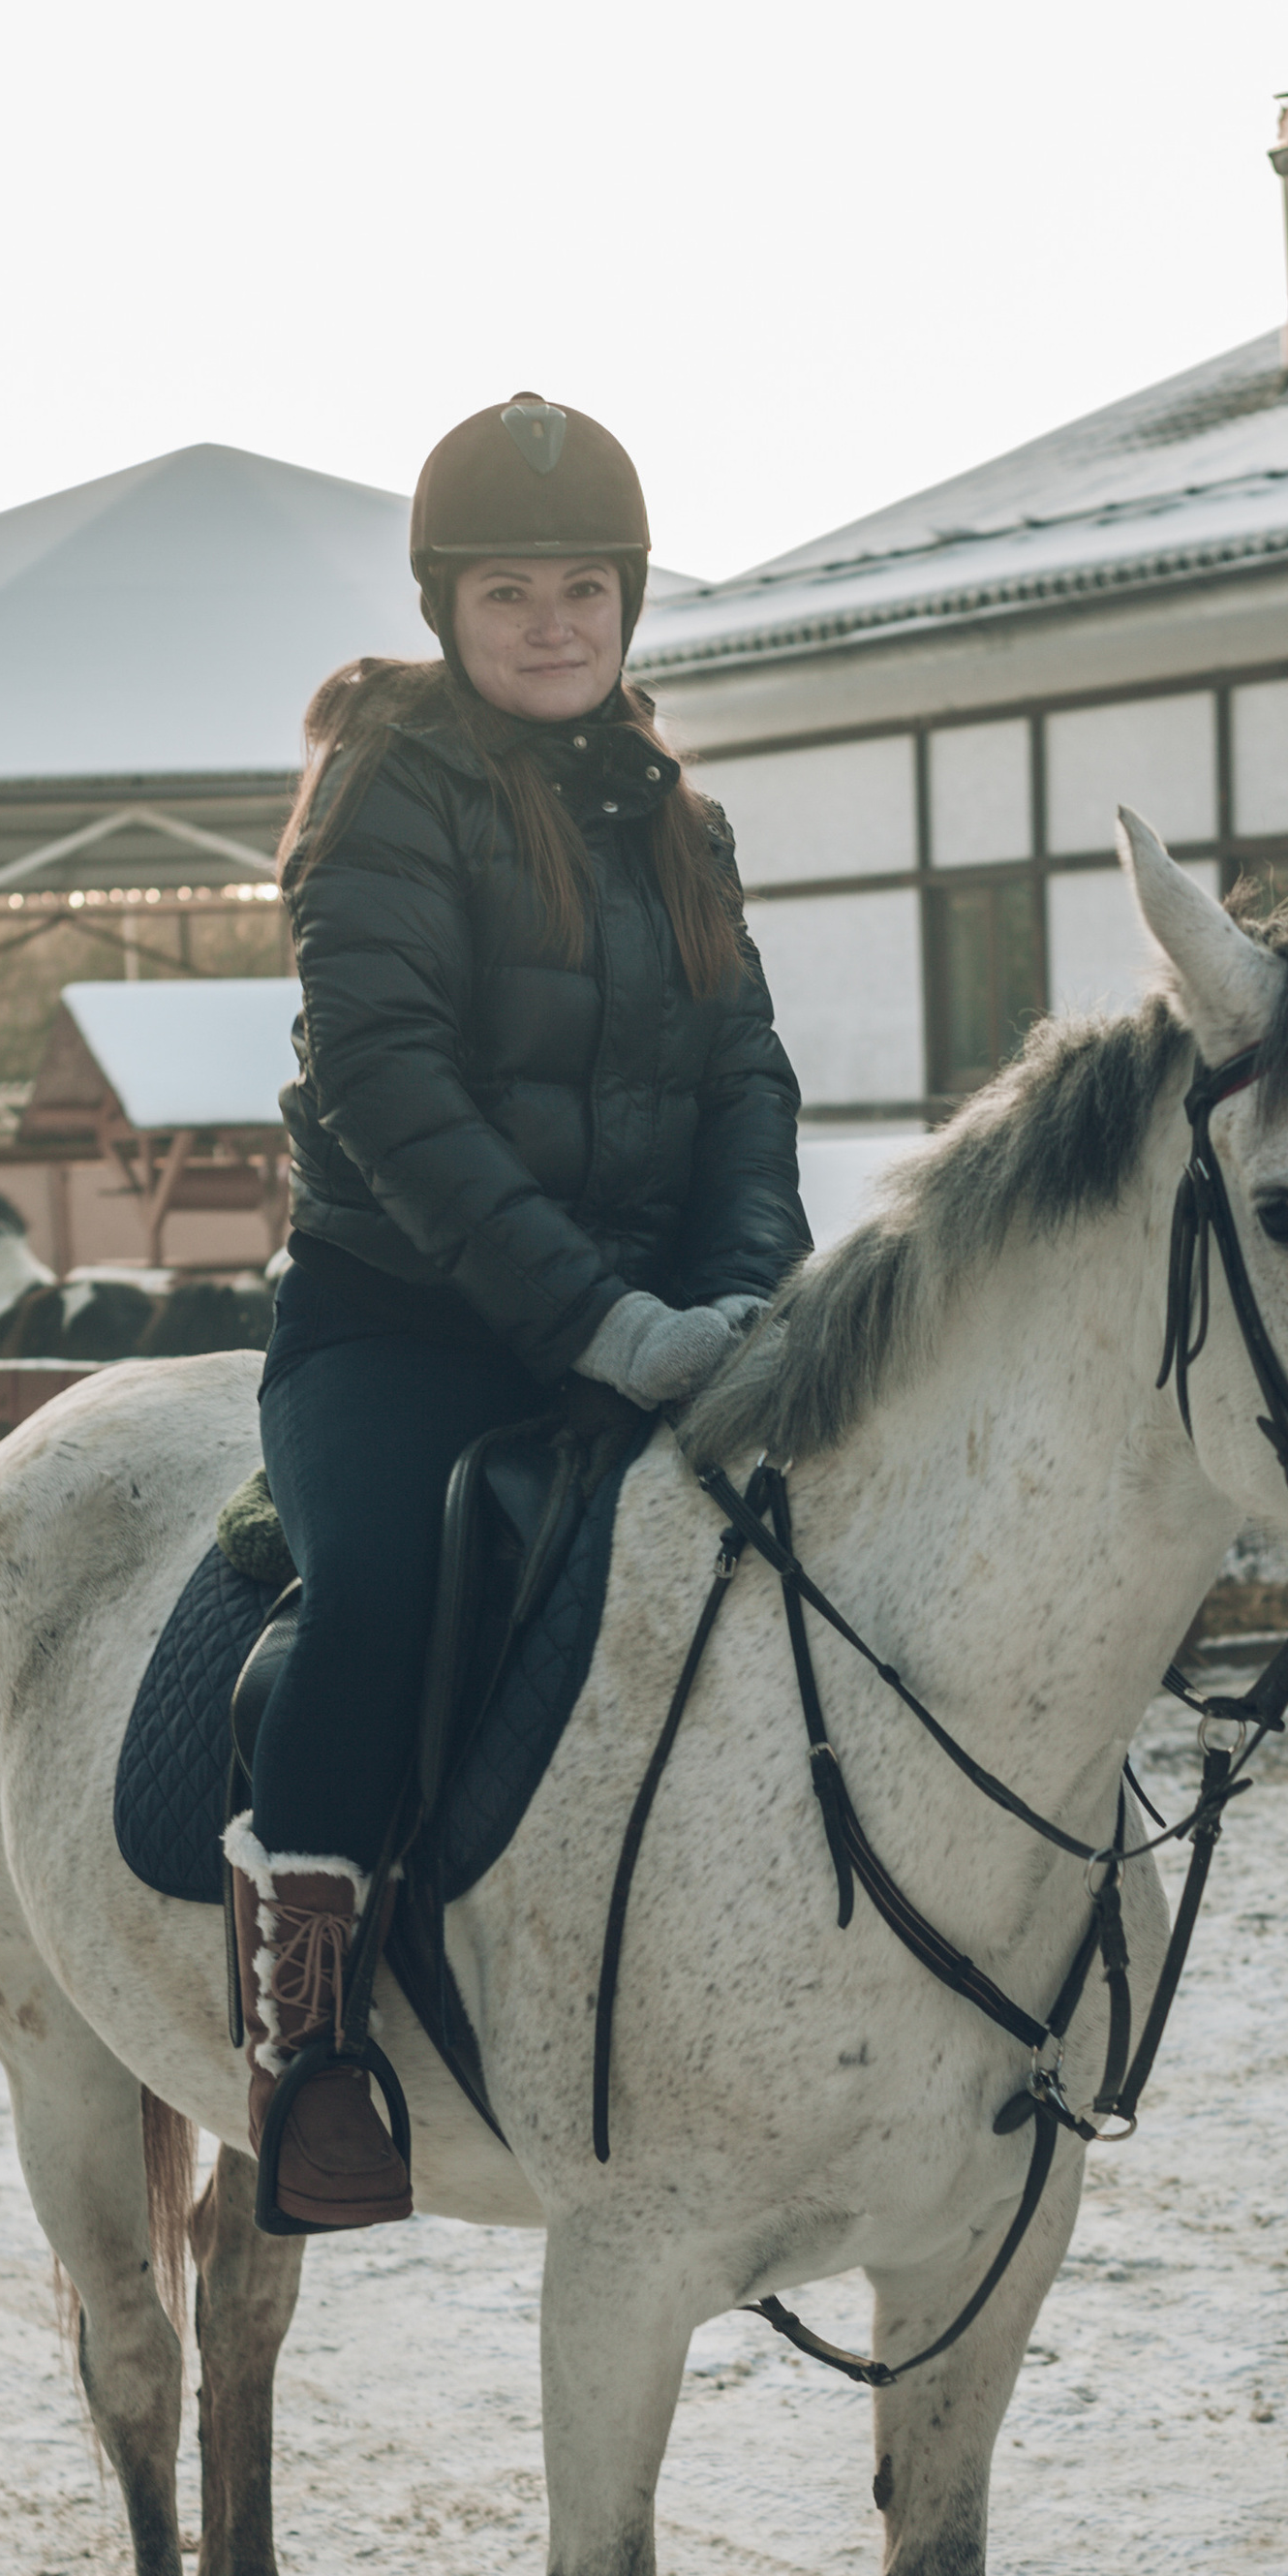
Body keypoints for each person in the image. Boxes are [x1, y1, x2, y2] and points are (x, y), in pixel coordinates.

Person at [225, 393, 810, 2236]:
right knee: (384, 1594)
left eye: (583, 589)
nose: (552, 624)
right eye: (508, 592)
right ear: (446, 608)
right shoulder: (389, 793)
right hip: (399, 1321)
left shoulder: (679, 820)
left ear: (627, 601)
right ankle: (308, 2040)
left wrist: (741, 1295)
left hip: (658, 1313)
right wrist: (601, 1327)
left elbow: (746, 1075)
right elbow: (389, 1089)